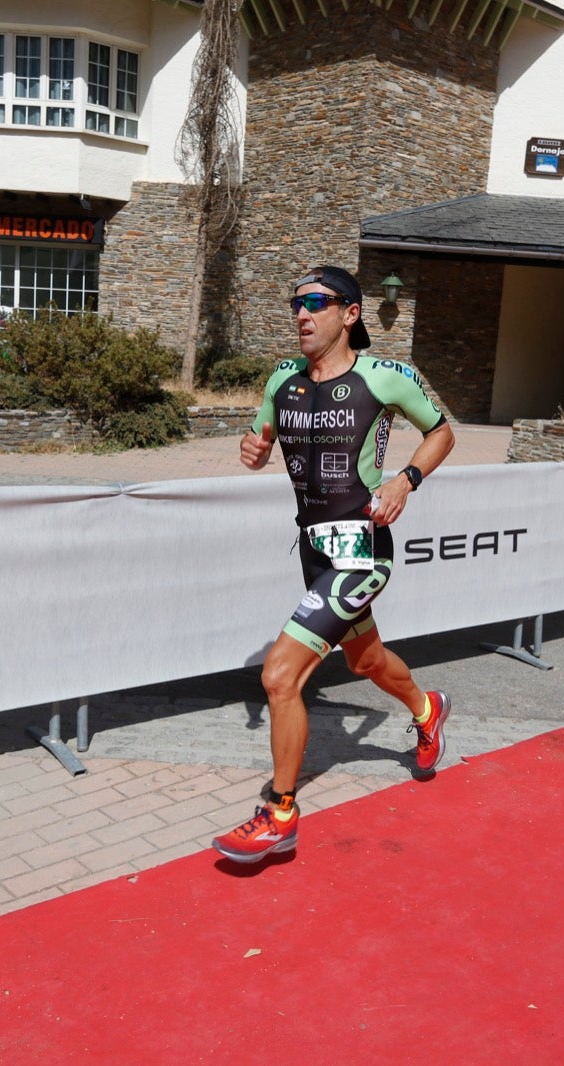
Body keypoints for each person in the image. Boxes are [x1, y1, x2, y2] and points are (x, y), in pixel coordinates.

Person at [212, 265, 456, 864]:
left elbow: (443, 432)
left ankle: (280, 814)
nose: (302, 313)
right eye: (296, 303)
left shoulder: (385, 376)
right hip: (314, 549)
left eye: (316, 302)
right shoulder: (282, 380)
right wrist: (253, 449)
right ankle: (427, 710)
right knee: (364, 659)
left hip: (362, 549)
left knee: (279, 676)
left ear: (349, 314)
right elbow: (259, 441)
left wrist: (405, 479)